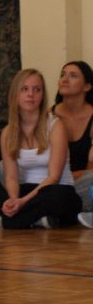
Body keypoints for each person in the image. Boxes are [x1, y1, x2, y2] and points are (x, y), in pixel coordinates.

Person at [0, 69, 81, 229]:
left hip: (52, 190)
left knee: (62, 198)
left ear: (42, 95)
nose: (31, 94)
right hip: (25, 190)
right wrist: (13, 199)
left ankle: (2, 221)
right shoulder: (7, 133)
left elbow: (54, 177)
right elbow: (11, 177)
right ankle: (36, 219)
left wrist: (23, 202)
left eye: (37, 89)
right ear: (15, 95)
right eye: (24, 89)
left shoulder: (56, 126)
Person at [52, 60, 93, 227]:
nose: (65, 79)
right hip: (49, 183)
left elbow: (90, 171)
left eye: (73, 76)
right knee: (4, 168)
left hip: (80, 184)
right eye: (63, 74)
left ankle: (50, 212)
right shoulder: (48, 116)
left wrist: (64, 176)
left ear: (87, 86)